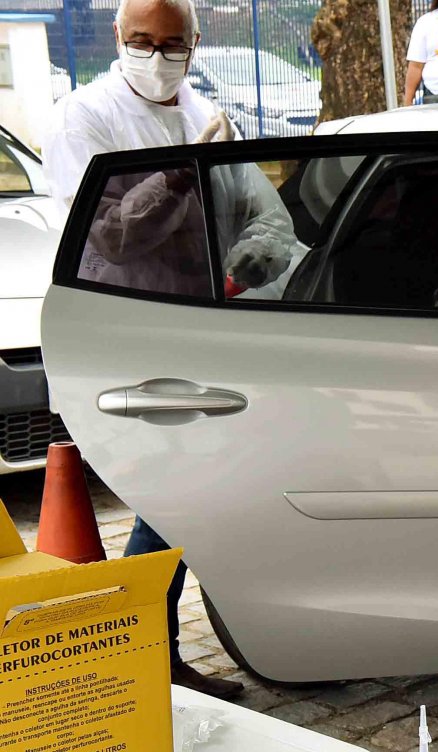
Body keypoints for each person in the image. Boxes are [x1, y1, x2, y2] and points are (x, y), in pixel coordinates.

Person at [39, 0, 302, 700]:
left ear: (194, 43)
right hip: (129, 334)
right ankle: (138, 653)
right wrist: (180, 175)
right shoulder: (86, 118)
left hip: (203, 332)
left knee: (182, 498)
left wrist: (256, 256)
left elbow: (261, 211)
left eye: (172, 43)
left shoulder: (201, 112)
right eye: (141, 42)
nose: (157, 57)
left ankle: (148, 650)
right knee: (170, 497)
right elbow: (109, 240)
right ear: (117, 40)